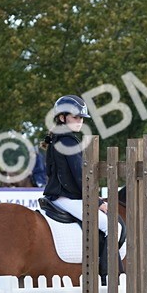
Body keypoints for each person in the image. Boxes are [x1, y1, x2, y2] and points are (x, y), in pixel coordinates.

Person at [41, 94, 109, 241]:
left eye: (81, 118)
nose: (80, 121)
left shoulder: (56, 139)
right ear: (62, 118)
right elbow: (80, 176)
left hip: (57, 197)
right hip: (67, 198)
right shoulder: (68, 140)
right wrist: (97, 202)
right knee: (109, 226)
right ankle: (104, 264)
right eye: (75, 117)